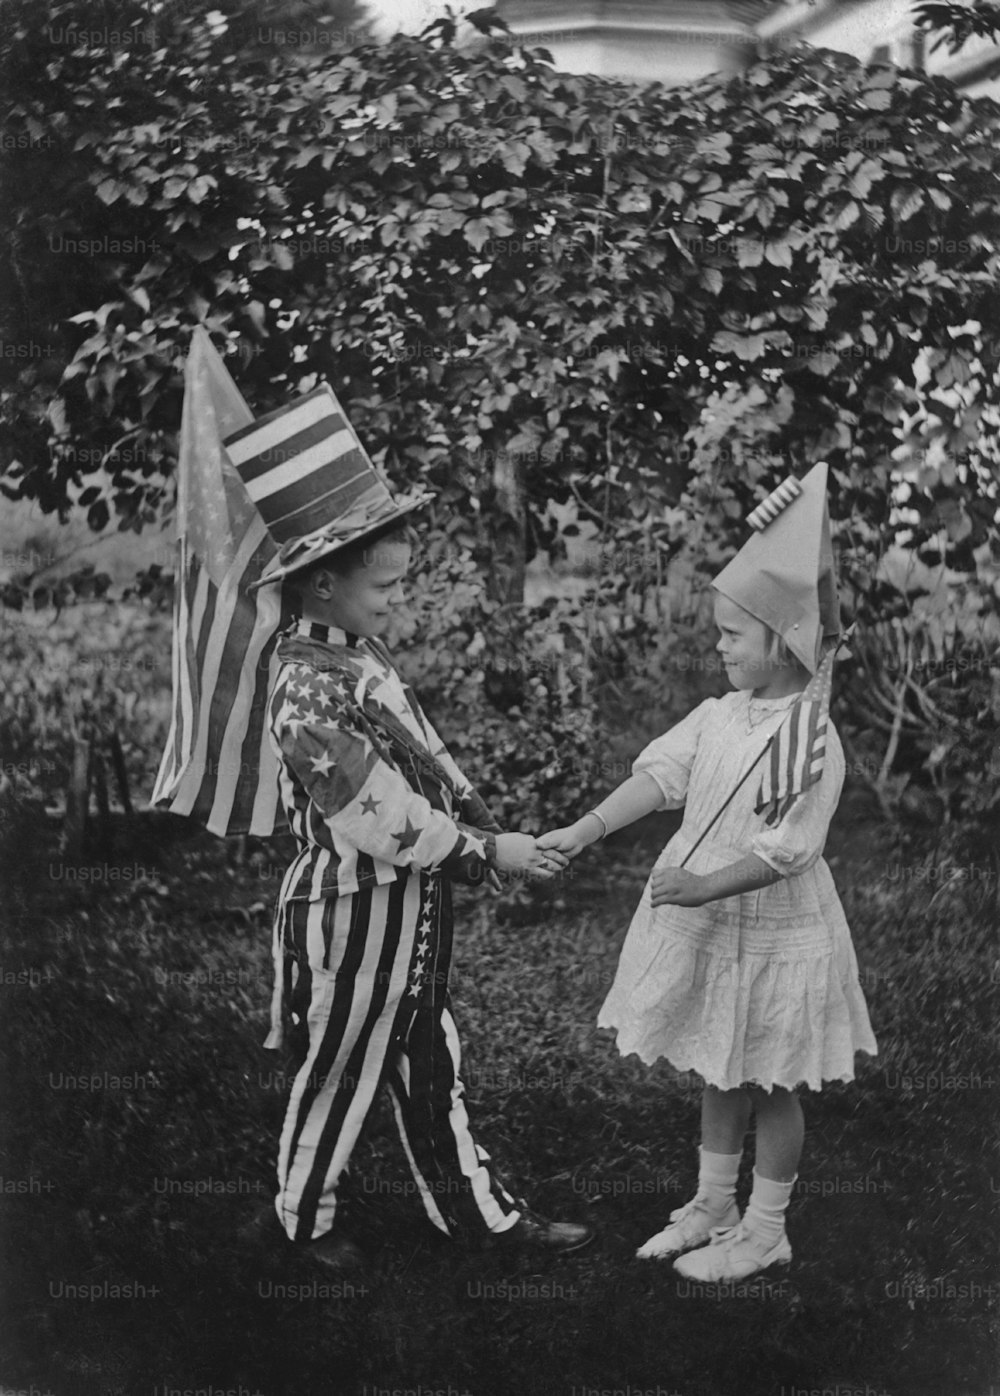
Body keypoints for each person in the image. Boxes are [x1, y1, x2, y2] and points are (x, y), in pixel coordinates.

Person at [229, 384, 593, 1270]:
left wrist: (478, 819)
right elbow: (379, 817)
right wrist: (481, 850)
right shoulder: (307, 687)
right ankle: (301, 1220)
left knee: (431, 1065)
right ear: (326, 579)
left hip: (410, 920)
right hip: (353, 917)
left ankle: (479, 1219)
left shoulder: (355, 653)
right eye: (386, 584)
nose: (400, 598)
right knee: (337, 1073)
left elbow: (421, 751)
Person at [538, 464, 877, 1283]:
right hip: (715, 925)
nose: (717, 647)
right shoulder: (719, 715)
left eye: (733, 634)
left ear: (785, 640)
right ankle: (713, 1201)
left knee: (768, 1075)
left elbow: (789, 847)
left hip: (772, 928)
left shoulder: (811, 739)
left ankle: (767, 1227)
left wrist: (702, 884)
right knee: (721, 1062)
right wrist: (585, 829)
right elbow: (662, 777)